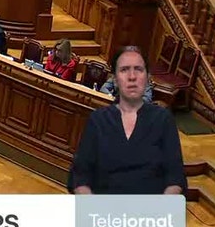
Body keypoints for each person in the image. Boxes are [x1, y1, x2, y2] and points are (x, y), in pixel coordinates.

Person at [69, 46, 186, 195]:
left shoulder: (163, 119)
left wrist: (160, 206)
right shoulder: (97, 120)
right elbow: (80, 175)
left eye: (138, 69)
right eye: (124, 70)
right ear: (115, 79)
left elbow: (175, 177)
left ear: (147, 77)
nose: (132, 76)